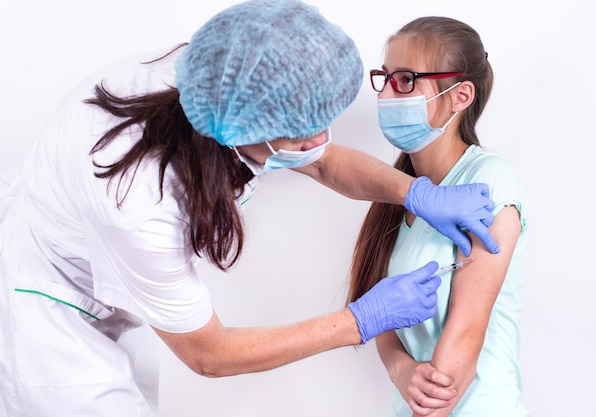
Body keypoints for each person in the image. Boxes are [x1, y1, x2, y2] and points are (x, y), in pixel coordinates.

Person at [0, 2, 498, 416]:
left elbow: (322, 161)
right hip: (49, 313)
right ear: (244, 132)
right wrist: (362, 319)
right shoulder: (136, 195)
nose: (321, 141)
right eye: (306, 131)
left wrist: (415, 193)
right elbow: (208, 353)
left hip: (115, 295)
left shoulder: (232, 78)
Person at [346, 16, 530, 417]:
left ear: (461, 95)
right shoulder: (399, 191)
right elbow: (381, 315)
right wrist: (401, 369)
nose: (389, 94)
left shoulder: (489, 180)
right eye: (386, 77)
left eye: (407, 80)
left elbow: (464, 336)